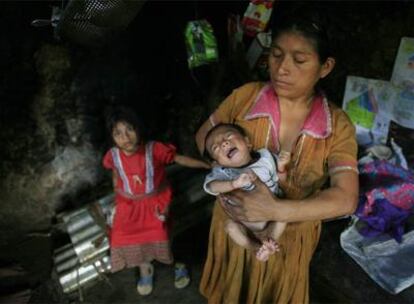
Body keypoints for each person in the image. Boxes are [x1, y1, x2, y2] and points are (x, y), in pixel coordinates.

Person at [195, 15, 359, 303]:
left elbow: (346, 198)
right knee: (233, 287)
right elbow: (203, 137)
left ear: (325, 67)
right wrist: (223, 179)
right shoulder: (246, 97)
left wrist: (276, 209)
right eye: (276, 55)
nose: (282, 68)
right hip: (235, 226)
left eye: (299, 60)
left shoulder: (337, 125)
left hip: (288, 241)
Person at [103, 106, 210, 296]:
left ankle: (179, 263)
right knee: (122, 236)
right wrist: (117, 196)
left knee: (162, 233)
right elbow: (115, 173)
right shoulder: (113, 155)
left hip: (155, 200)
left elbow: (179, 159)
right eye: (118, 133)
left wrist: (205, 164)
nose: (125, 137)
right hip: (129, 203)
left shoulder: (154, 149)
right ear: (112, 137)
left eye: (129, 129)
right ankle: (145, 268)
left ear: (138, 128)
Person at [203, 123, 291, 261]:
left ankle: (269, 242)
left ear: (248, 142)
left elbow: (281, 181)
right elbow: (211, 187)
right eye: (216, 148)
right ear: (218, 163)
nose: (224, 143)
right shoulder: (224, 173)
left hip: (272, 213)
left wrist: (281, 167)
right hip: (245, 221)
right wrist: (233, 184)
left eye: (229, 136)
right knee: (230, 227)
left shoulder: (266, 157)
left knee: (286, 212)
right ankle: (256, 248)